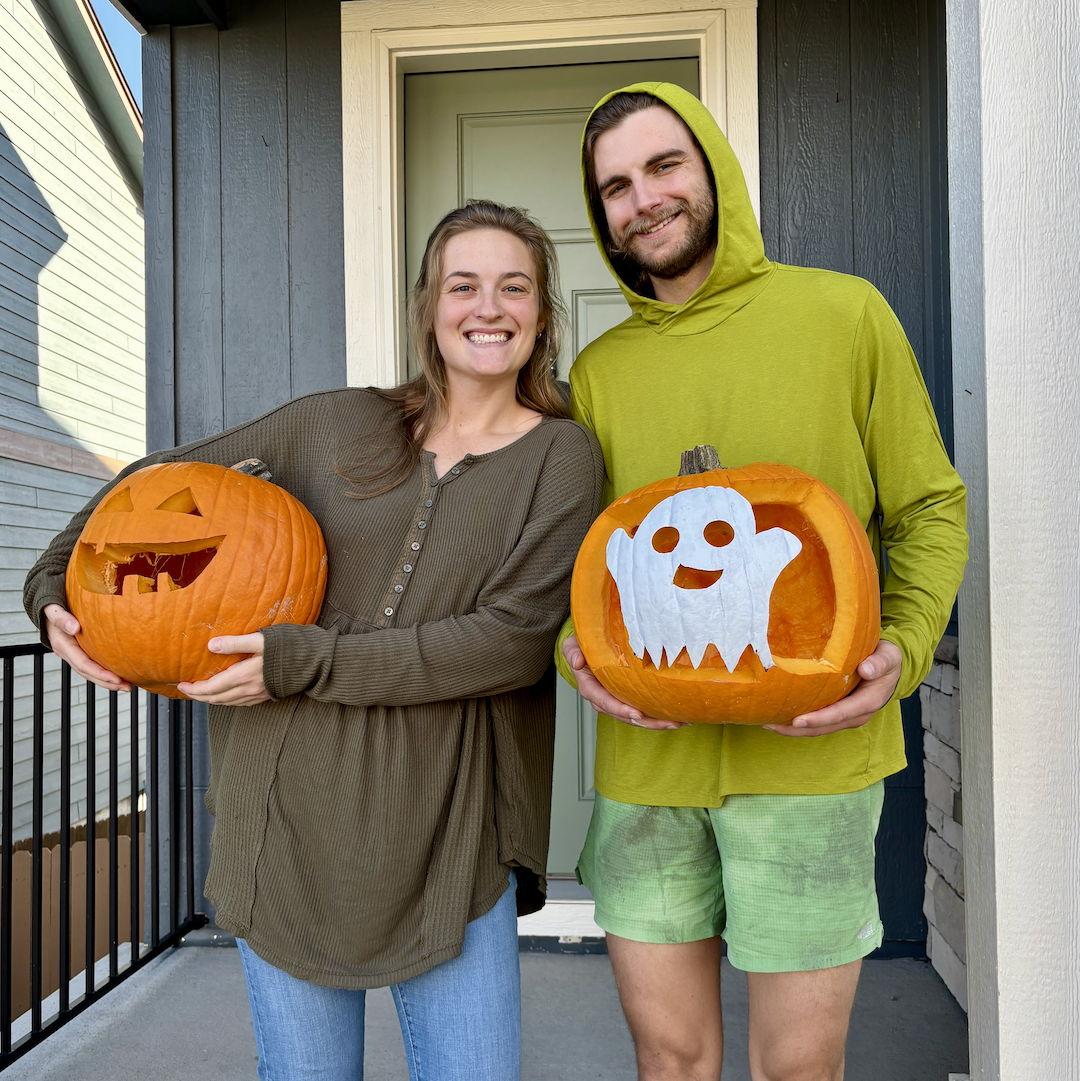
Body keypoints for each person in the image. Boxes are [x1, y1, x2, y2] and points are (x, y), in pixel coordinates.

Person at [24, 199, 605, 1081]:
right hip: (287, 820)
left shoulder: (562, 457)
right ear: (428, 307)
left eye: (513, 286)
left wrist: (304, 658)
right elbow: (152, 485)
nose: (488, 307)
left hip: (450, 827)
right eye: (464, 285)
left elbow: (510, 641)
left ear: (541, 314)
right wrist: (50, 593)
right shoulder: (334, 424)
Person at [555, 84, 968, 1081]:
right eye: (614, 186)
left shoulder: (842, 315)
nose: (642, 199)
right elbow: (578, 560)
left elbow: (928, 505)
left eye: (663, 167)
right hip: (647, 766)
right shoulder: (599, 373)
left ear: (714, 172)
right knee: (670, 1057)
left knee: (796, 1067)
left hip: (809, 760)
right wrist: (570, 650)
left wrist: (901, 652)